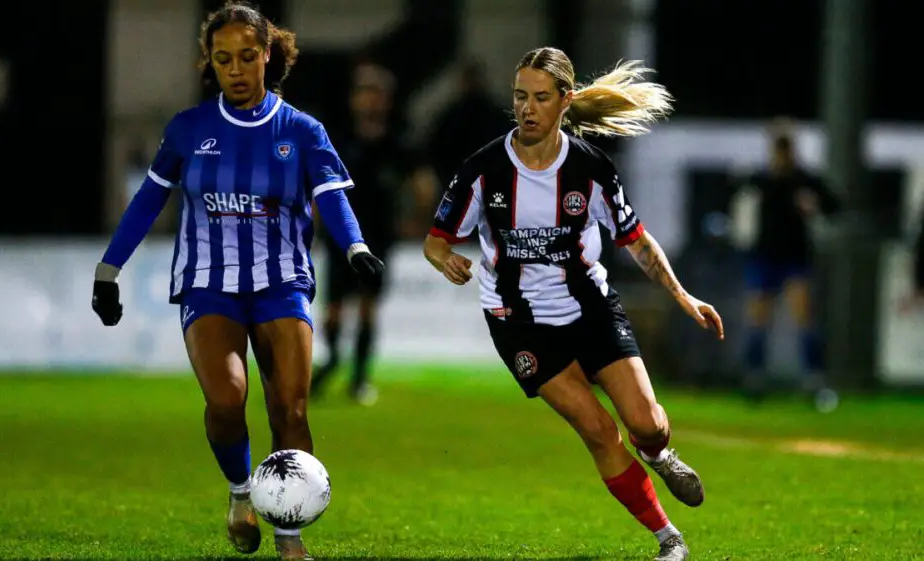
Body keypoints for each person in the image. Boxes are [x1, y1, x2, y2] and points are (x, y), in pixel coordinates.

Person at [90, 2, 384, 559]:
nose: (237, 69)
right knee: (227, 399)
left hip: (282, 283)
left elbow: (331, 198)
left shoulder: (301, 129)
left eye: (248, 56)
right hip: (208, 283)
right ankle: (241, 492)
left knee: (291, 410)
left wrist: (356, 248)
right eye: (223, 59)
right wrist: (109, 270)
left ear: (267, 55)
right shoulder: (189, 129)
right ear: (211, 64)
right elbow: (149, 200)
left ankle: (289, 533)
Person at [423, 48, 724, 561]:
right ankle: (668, 539)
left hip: (591, 308)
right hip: (518, 323)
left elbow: (638, 242)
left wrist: (683, 296)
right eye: (520, 96)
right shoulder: (483, 170)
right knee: (598, 429)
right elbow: (436, 239)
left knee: (647, 423)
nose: (528, 108)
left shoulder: (589, 168)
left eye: (541, 97)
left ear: (565, 101)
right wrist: (444, 258)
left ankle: (660, 454)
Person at [310, 60, 436, 405]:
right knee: (334, 308)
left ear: (387, 100)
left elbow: (424, 185)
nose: (370, 100)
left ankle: (359, 379)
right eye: (364, 92)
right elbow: (318, 185)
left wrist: (416, 220)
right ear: (354, 99)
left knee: (367, 307)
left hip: (378, 237)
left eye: (376, 93)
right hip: (340, 236)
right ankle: (333, 358)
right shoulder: (337, 139)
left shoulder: (399, 141)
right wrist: (313, 223)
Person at [733, 119, 842, 403]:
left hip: (795, 256)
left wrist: (814, 206)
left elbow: (834, 206)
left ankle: (814, 380)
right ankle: (755, 377)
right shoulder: (762, 179)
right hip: (765, 255)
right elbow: (738, 199)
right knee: (758, 318)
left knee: (804, 317)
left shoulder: (805, 180)